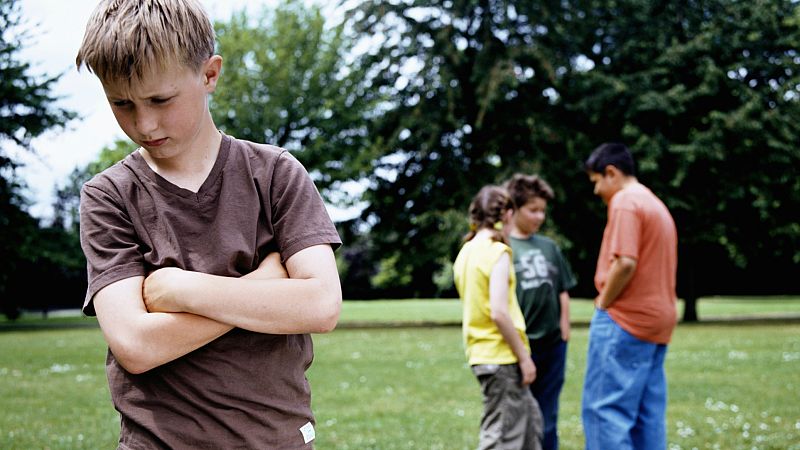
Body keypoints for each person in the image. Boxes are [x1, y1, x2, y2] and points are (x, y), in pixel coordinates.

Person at [75, 1, 342, 448]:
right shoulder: (109, 196)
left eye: (160, 100)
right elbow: (136, 346)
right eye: (121, 103)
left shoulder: (275, 173)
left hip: (276, 440)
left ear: (209, 74)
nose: (144, 123)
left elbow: (320, 306)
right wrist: (264, 284)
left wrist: (182, 290)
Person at [581, 143, 678, 450]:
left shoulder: (625, 201)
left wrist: (603, 302)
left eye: (596, 181)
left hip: (626, 320)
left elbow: (625, 262)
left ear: (611, 173)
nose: (596, 190)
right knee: (646, 416)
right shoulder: (655, 204)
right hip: (657, 322)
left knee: (604, 411)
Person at [453, 185, 544, 450]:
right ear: (507, 214)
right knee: (501, 438)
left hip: (483, 354)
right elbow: (499, 312)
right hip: (501, 356)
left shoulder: (466, 252)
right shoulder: (497, 252)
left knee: (530, 425)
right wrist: (524, 358)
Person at [505, 174, 576, 450]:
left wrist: (564, 329)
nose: (540, 217)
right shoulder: (503, 247)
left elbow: (562, 289)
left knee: (548, 416)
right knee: (517, 415)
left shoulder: (549, 247)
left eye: (543, 211)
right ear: (514, 209)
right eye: (533, 210)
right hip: (520, 346)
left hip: (553, 345)